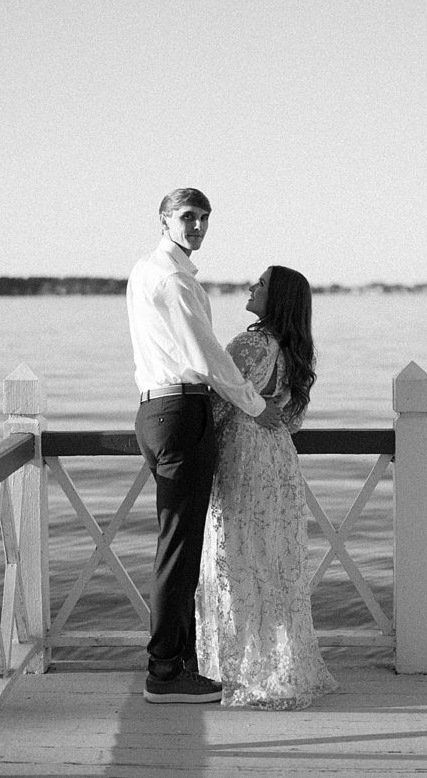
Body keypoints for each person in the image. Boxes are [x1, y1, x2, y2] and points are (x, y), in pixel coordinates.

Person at [126, 188, 281, 704]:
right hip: (180, 410)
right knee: (179, 549)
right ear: (164, 220)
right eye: (187, 217)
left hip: (155, 410)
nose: (197, 226)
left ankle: (181, 661)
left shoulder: (148, 270)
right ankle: (165, 671)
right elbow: (209, 357)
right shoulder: (173, 278)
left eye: (204, 219)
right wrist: (258, 408)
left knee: (179, 543)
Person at [195, 265, 338, 710]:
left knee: (236, 559)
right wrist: (264, 410)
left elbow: (215, 405)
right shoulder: (293, 351)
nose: (251, 287)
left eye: (261, 284)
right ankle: (278, 665)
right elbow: (291, 420)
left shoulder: (250, 343)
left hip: (242, 458)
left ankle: (234, 670)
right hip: (276, 462)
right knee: (270, 562)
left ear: (275, 299)